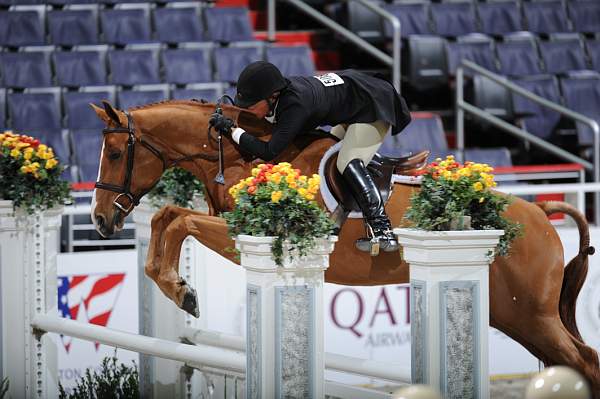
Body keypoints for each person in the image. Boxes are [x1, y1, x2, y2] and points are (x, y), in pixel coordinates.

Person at [227, 61, 411, 254]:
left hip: (372, 104)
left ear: (272, 97)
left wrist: (234, 132)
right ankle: (338, 215)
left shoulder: (295, 105)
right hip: (352, 105)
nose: (249, 110)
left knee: (346, 161)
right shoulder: (282, 98)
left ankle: (383, 230)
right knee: (326, 153)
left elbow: (269, 151)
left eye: (252, 105)